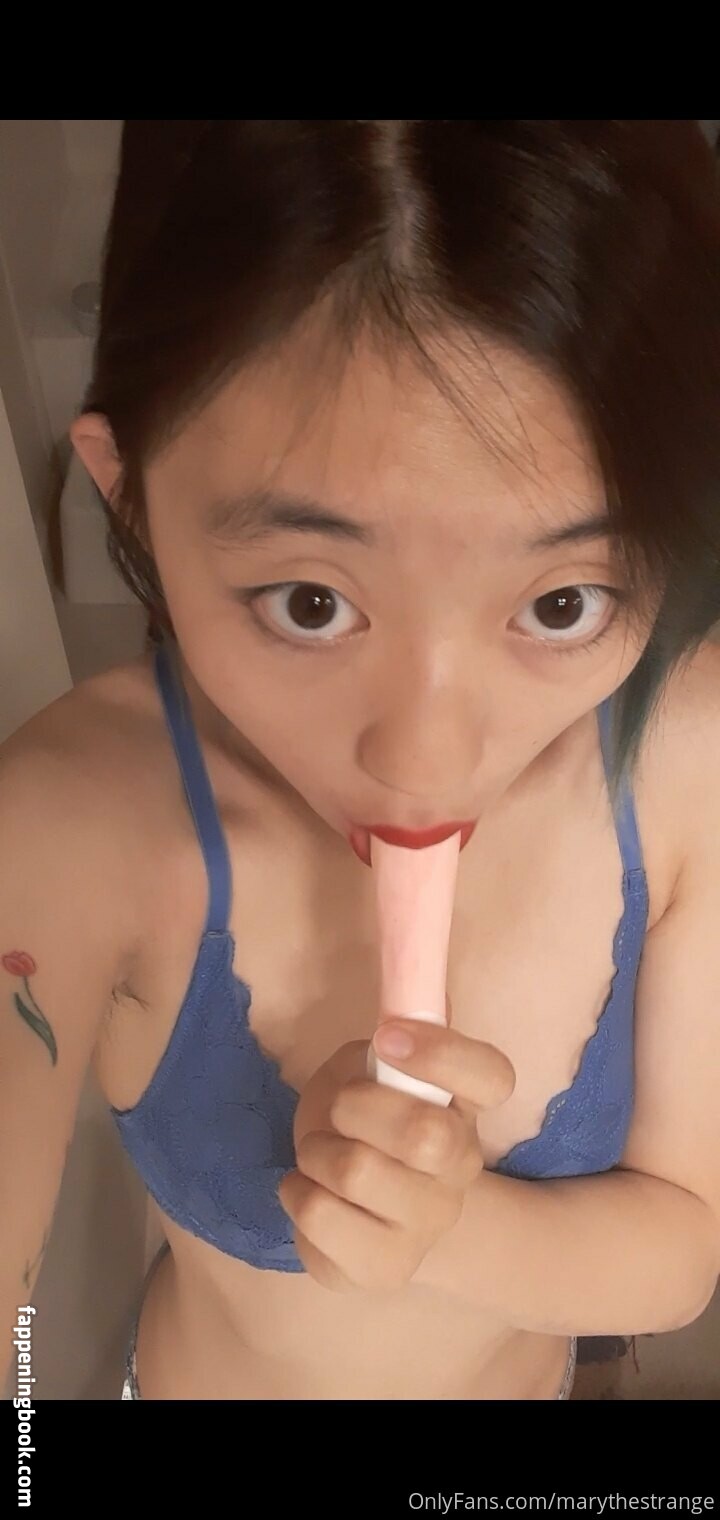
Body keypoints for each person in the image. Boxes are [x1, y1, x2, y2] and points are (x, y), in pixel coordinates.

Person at [2, 120, 720, 1403]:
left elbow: (677, 1252)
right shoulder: (81, 815)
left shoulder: (681, 747)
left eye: (562, 603)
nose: (425, 757)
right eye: (311, 602)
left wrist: (450, 1224)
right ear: (132, 501)